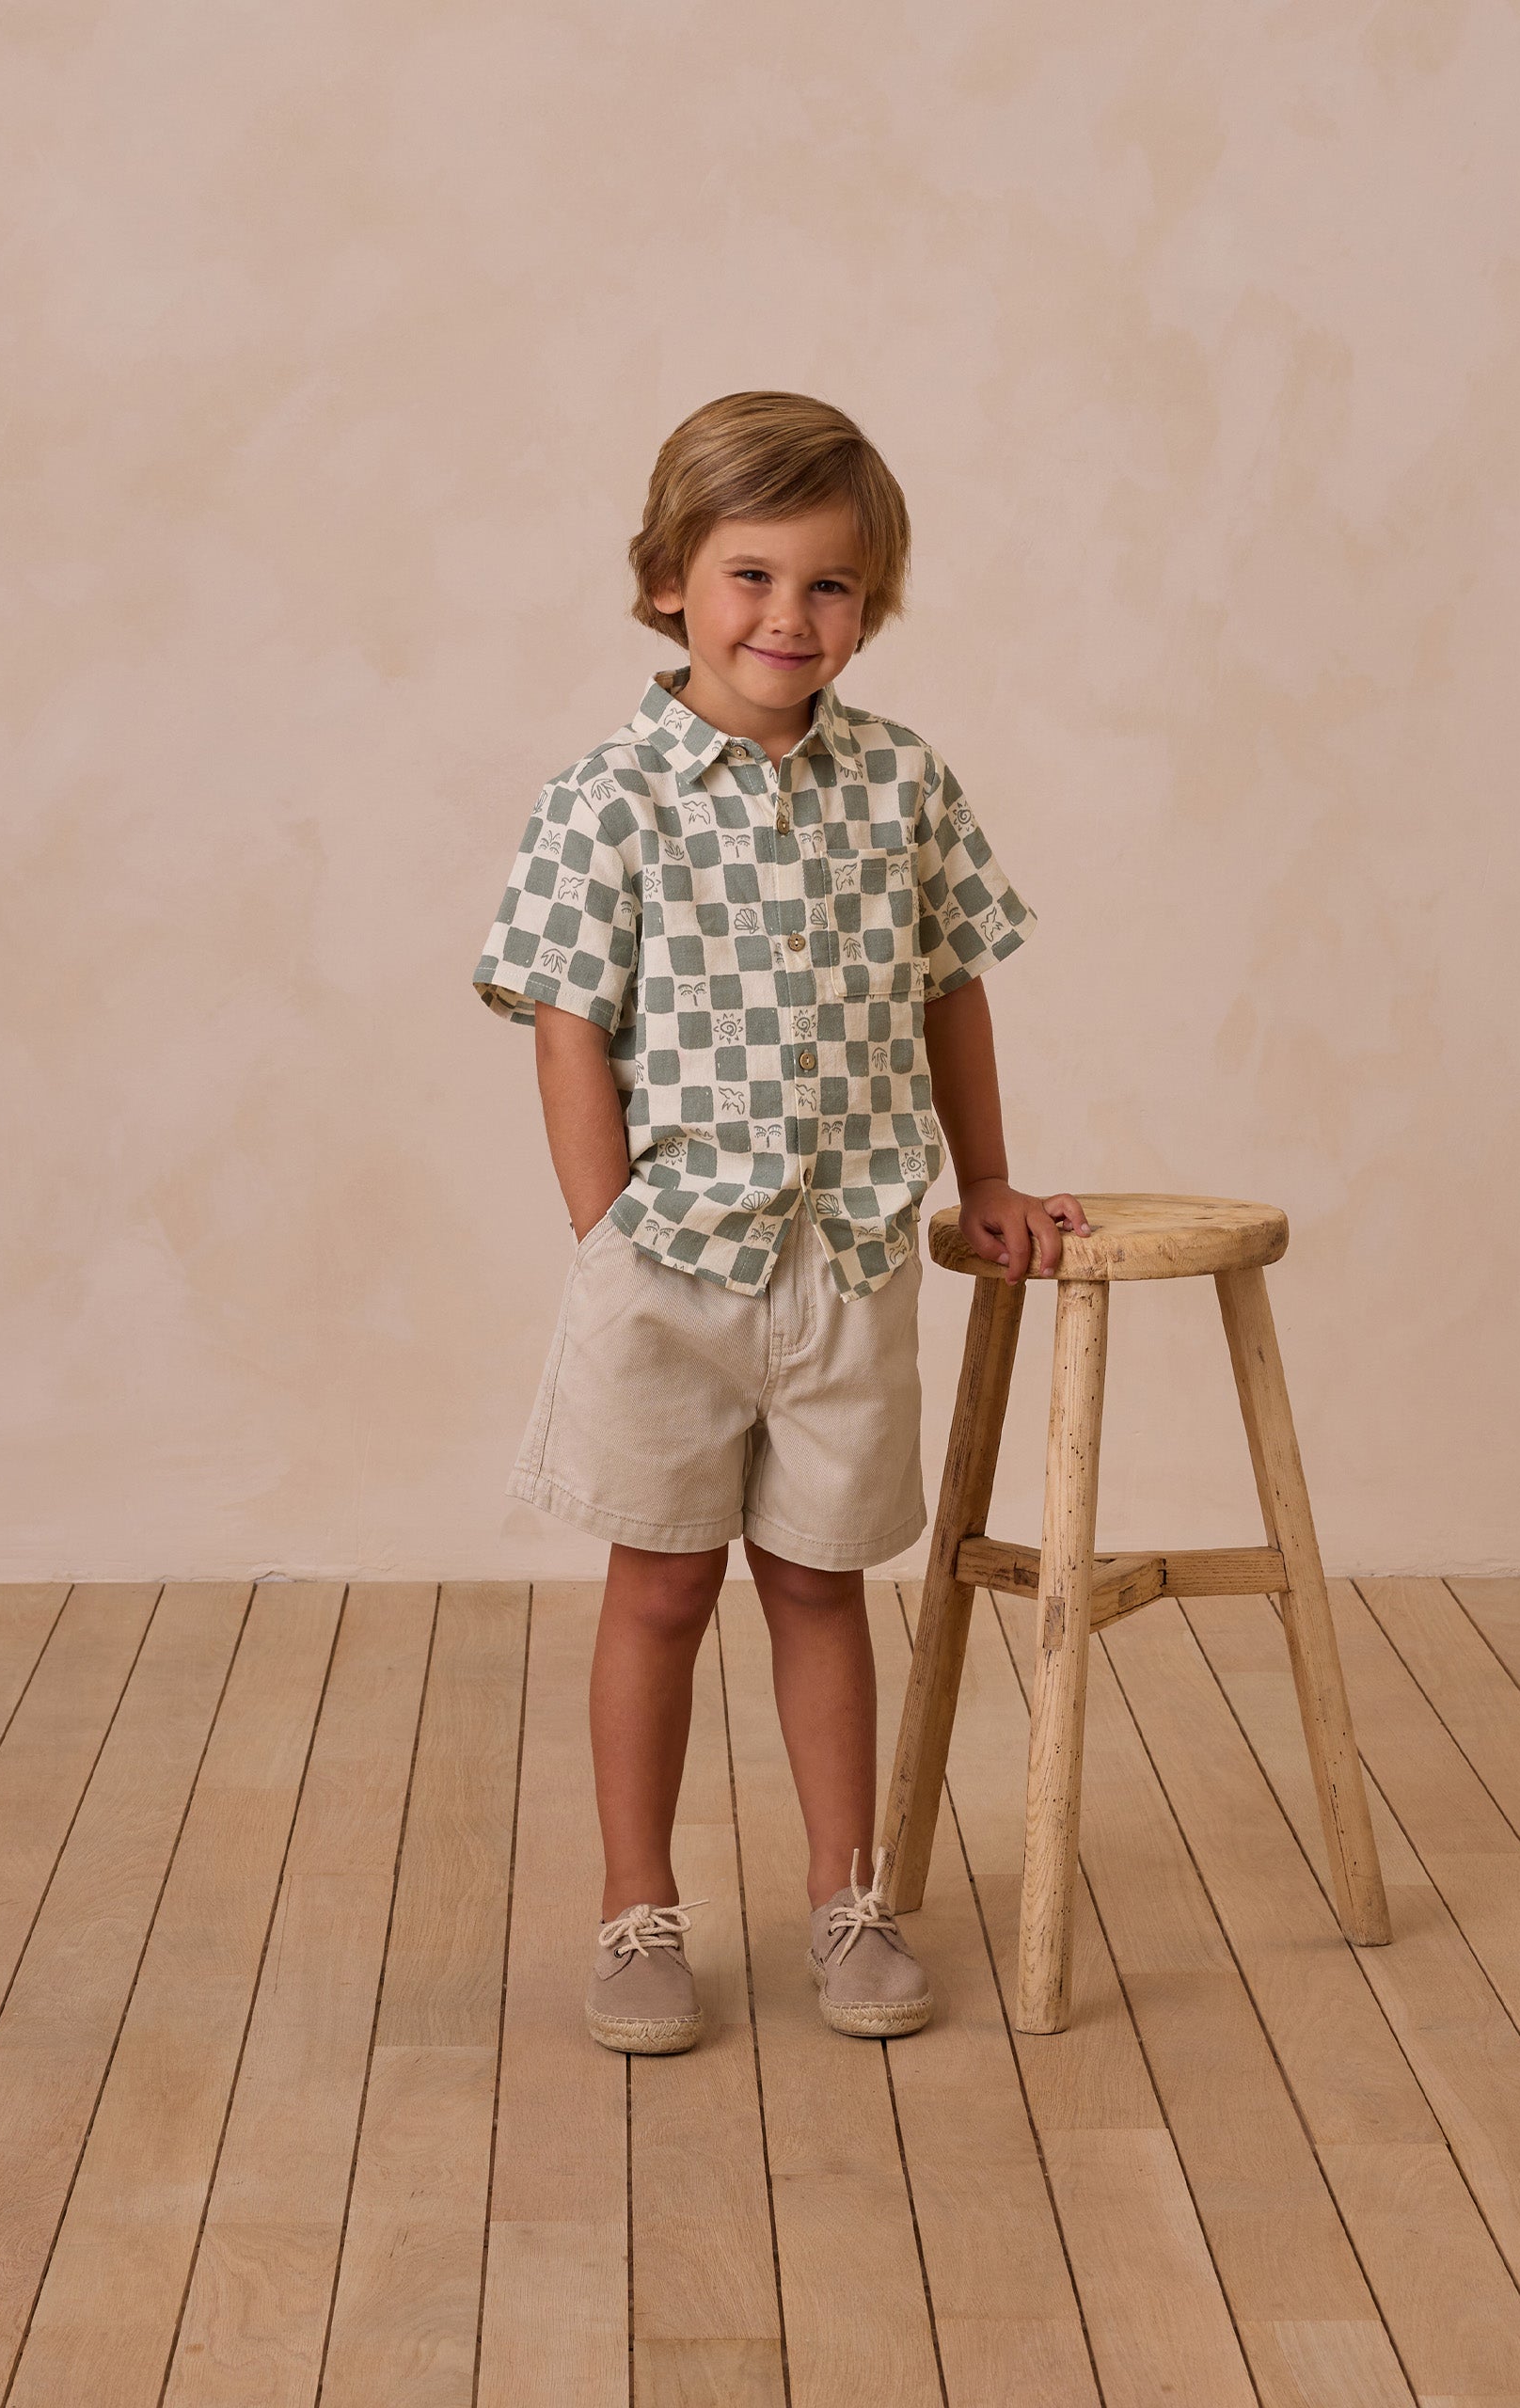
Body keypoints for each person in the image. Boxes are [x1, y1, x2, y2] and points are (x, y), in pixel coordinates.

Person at [474, 390, 1090, 2054]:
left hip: (849, 1262)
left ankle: (849, 1896)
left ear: (870, 604)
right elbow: (565, 1027)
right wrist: (610, 1232)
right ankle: (638, 1908)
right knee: (661, 1591)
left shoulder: (904, 785)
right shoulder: (607, 798)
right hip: (668, 1267)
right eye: (751, 576)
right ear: (669, 582)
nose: (788, 617)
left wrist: (984, 1178)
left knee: (820, 1584)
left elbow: (952, 987)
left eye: (831, 586)